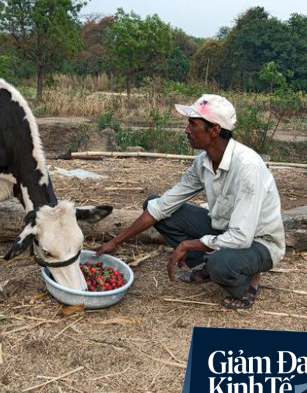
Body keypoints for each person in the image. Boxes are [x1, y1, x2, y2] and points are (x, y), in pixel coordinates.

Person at [95, 94, 285, 309]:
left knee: (220, 264)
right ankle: (208, 262)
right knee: (154, 204)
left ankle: (249, 280)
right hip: (224, 230)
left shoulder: (247, 167)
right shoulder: (203, 162)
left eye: (193, 125)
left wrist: (189, 244)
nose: (186, 130)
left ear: (214, 129)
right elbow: (163, 206)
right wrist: (117, 241)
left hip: (258, 242)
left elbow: (242, 237)